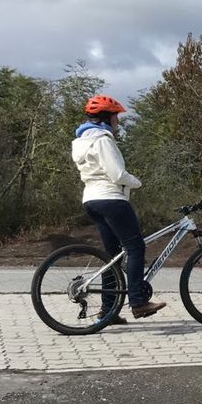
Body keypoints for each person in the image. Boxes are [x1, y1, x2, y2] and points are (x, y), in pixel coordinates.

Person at [71, 95, 166, 322]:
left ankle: (108, 311)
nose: (118, 122)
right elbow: (117, 175)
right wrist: (137, 182)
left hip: (91, 200)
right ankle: (138, 302)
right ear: (106, 117)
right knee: (135, 248)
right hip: (111, 199)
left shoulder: (81, 141)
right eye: (116, 116)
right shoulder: (103, 139)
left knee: (112, 258)